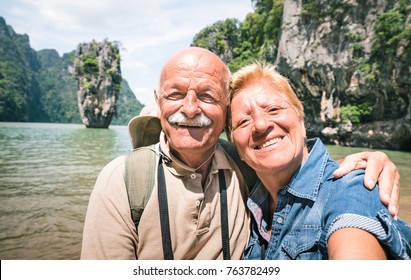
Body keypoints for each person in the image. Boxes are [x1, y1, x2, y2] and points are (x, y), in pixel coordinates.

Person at [80, 47, 401, 260]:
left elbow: (352, 238)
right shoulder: (124, 180)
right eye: (245, 120)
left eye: (207, 96)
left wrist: (368, 167)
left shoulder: (350, 185)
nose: (190, 108)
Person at [226, 62, 411, 259]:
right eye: (243, 121)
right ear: (238, 150)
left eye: (273, 109)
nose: (261, 125)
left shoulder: (352, 186)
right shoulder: (247, 200)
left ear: (302, 122)